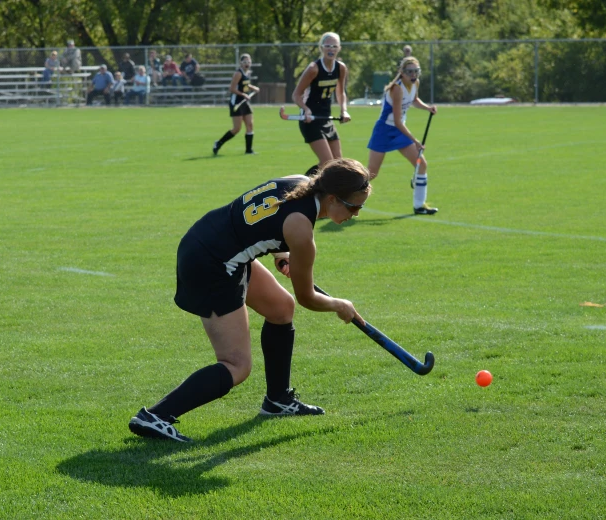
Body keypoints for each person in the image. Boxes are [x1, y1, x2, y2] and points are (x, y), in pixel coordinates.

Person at [128, 158, 371, 442]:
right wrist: (339, 304)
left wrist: (280, 252)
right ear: (332, 198)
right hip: (213, 264)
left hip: (209, 239)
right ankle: (156, 416)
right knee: (237, 365)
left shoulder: (299, 182)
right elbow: (307, 297)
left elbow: (262, 222)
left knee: (281, 308)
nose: (355, 214)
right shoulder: (301, 230)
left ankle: (278, 401)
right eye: (354, 207)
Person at [367, 57, 439, 215]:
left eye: (416, 71)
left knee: (422, 165)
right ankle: (343, 194)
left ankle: (419, 206)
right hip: (385, 131)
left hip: (400, 131)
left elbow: (414, 100)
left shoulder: (415, 83)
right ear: (402, 73)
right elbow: (398, 121)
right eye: (409, 72)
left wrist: (428, 108)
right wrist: (415, 141)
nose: (413, 75)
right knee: (372, 173)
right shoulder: (397, 89)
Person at [291, 32, 351, 176]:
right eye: (328, 46)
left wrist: (344, 110)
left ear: (339, 48)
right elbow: (296, 94)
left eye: (334, 46)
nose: (331, 49)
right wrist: (305, 109)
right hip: (310, 120)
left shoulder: (341, 68)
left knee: (338, 162)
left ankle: (308, 185)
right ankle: (302, 187)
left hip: (326, 118)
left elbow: (340, 92)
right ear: (321, 48)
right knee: (327, 163)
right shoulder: (314, 69)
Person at [212, 54, 261, 156]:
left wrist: (253, 88)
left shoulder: (247, 73)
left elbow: (245, 85)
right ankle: (218, 143)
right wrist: (243, 95)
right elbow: (232, 89)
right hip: (236, 103)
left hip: (245, 102)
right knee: (237, 128)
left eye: (248, 62)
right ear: (241, 63)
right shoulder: (238, 73)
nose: (247, 64)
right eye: (244, 62)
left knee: (250, 125)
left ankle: (249, 150)